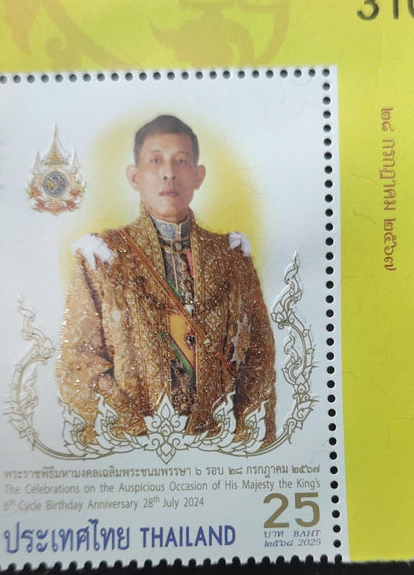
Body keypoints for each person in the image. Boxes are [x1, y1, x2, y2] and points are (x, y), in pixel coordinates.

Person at [56, 115, 276, 446]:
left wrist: (241, 434)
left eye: (181, 161)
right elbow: (78, 362)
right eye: (155, 160)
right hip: (134, 442)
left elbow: (259, 355)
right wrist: (135, 430)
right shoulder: (101, 257)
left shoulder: (231, 256)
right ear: (134, 176)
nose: (168, 173)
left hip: (214, 441)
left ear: (198, 176)